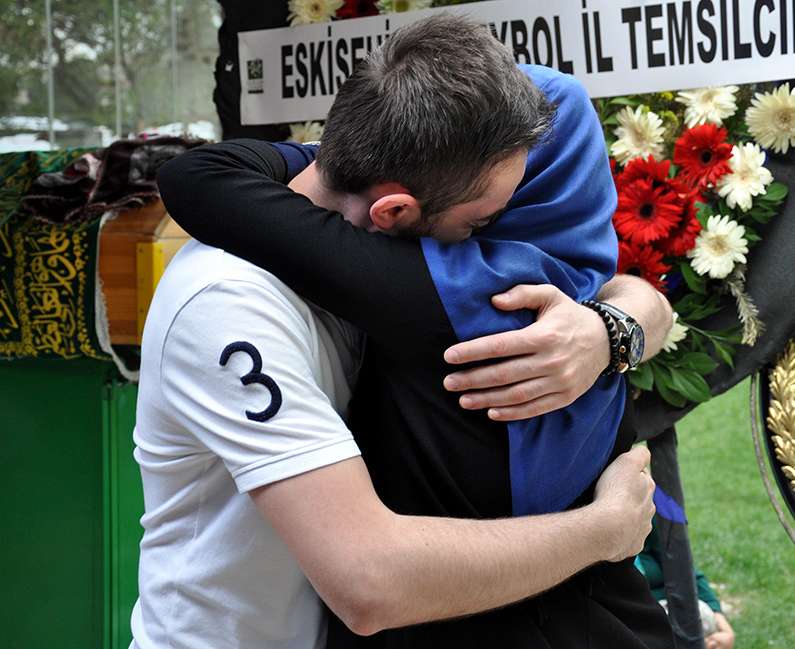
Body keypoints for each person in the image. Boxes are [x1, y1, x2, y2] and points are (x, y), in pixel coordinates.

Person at [155, 12, 675, 649]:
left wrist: (613, 324)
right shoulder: (232, 297)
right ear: (395, 211)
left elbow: (198, 176)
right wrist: (607, 529)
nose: (488, 234)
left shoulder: (388, 255)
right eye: (479, 221)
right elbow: (370, 580)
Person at [637, 521, 736, 649]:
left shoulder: (649, 512)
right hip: (637, 619)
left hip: (669, 608)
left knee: (702, 615)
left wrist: (724, 629)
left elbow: (686, 572)